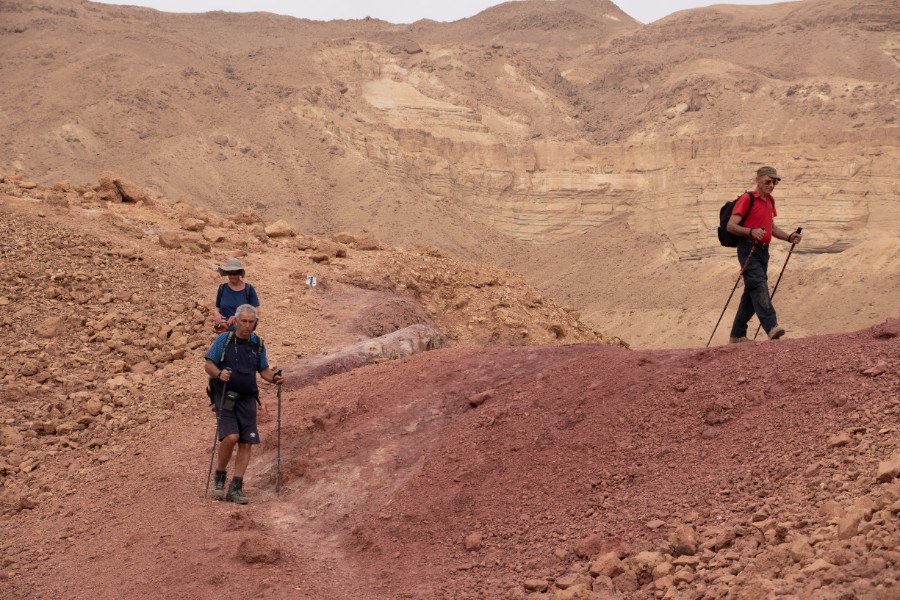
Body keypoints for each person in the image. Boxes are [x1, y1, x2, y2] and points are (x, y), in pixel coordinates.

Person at [204, 304, 283, 503]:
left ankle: (236, 488)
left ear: (255, 323)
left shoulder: (258, 343)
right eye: (244, 321)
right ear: (237, 322)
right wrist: (219, 374)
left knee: (246, 443)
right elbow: (209, 364)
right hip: (225, 396)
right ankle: (219, 479)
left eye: (251, 322)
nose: (247, 325)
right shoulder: (225, 339)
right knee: (230, 437)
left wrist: (274, 378)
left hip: (248, 399)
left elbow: (263, 370)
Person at [726, 166, 803, 343]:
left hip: (763, 252)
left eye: (774, 182)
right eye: (768, 181)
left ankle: (737, 334)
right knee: (758, 284)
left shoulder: (770, 201)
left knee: (751, 290)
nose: (772, 185)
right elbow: (731, 225)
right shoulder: (747, 199)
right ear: (758, 180)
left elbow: (772, 227)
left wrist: (789, 237)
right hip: (748, 248)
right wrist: (751, 232)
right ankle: (771, 326)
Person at [213, 258, 260, 333]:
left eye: (234, 273)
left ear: (239, 274)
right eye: (229, 273)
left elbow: (256, 310)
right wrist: (216, 313)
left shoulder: (248, 289)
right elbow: (217, 307)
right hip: (224, 331)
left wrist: (237, 317)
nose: (232, 276)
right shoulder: (222, 288)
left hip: (243, 331)